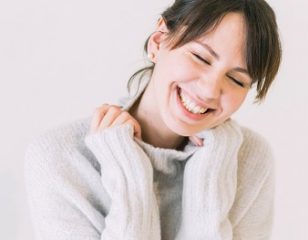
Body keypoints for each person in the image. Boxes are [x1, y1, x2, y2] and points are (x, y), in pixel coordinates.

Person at [24, 0, 281, 239]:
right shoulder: (60, 159)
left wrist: (211, 178)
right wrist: (128, 176)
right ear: (158, 42)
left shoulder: (249, 159)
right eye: (201, 57)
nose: (209, 91)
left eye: (236, 80)